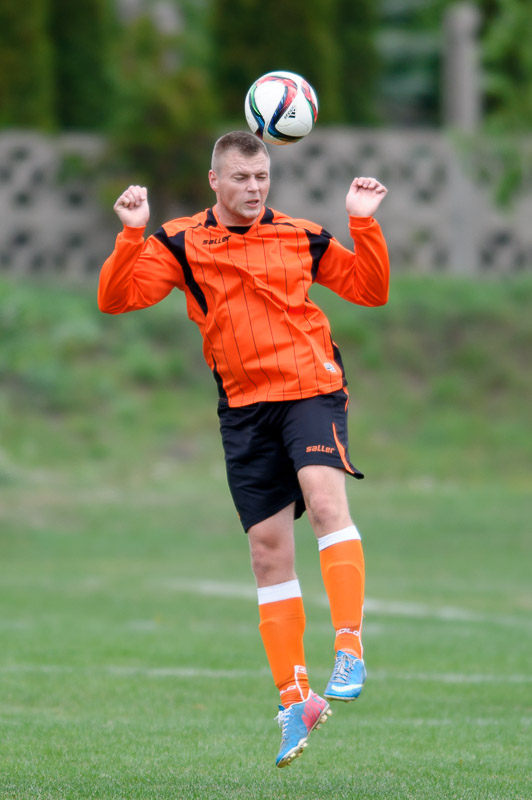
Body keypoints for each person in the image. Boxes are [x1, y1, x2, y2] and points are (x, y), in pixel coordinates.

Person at [98, 130, 389, 768]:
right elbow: (116, 299)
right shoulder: (179, 241)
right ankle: (295, 700)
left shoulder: (301, 235)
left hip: (310, 389)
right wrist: (131, 234)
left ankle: (349, 647)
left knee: (324, 501)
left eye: (261, 177)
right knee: (267, 553)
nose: (254, 188)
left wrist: (362, 224)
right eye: (240, 178)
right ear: (214, 181)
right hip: (244, 410)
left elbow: (370, 289)